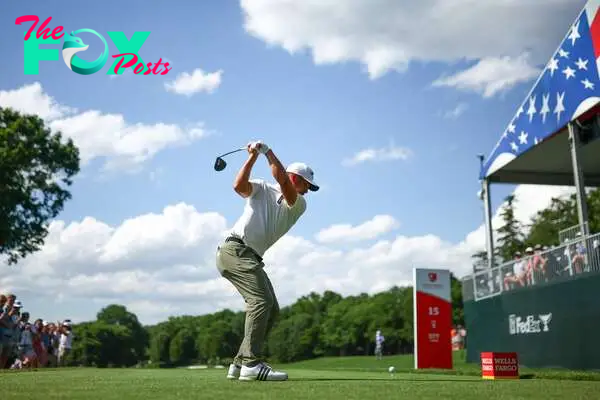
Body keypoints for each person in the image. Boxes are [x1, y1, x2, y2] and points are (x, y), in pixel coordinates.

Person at [216, 140, 319, 382]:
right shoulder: (261, 188)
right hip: (235, 250)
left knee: (271, 308)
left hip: (248, 256)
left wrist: (268, 151)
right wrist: (253, 156)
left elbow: (283, 182)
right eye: (306, 184)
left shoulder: (298, 204)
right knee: (260, 301)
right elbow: (238, 186)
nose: (307, 191)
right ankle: (251, 364)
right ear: (297, 178)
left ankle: (240, 363)